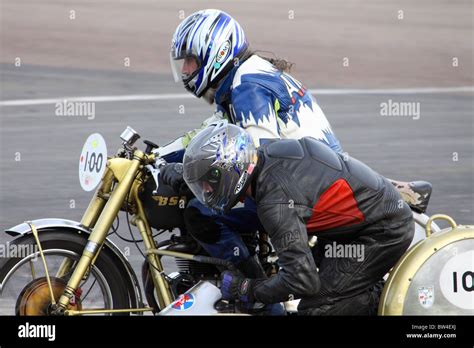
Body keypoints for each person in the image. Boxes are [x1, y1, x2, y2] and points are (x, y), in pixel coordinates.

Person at [159, 8, 342, 278]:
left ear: (217, 53)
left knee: (201, 213)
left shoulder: (248, 87)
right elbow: (205, 137)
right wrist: (155, 156)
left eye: (190, 61)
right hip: (305, 180)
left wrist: (185, 174)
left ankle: (254, 294)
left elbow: (253, 159)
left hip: (309, 191)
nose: (185, 70)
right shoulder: (237, 81)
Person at [180, 121, 414, 315]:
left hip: (381, 231)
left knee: (317, 308)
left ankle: (372, 303)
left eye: (209, 180)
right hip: (350, 225)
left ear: (231, 169)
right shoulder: (263, 157)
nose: (206, 190)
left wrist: (246, 287)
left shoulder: (276, 203)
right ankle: (361, 294)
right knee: (325, 287)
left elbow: (301, 281)